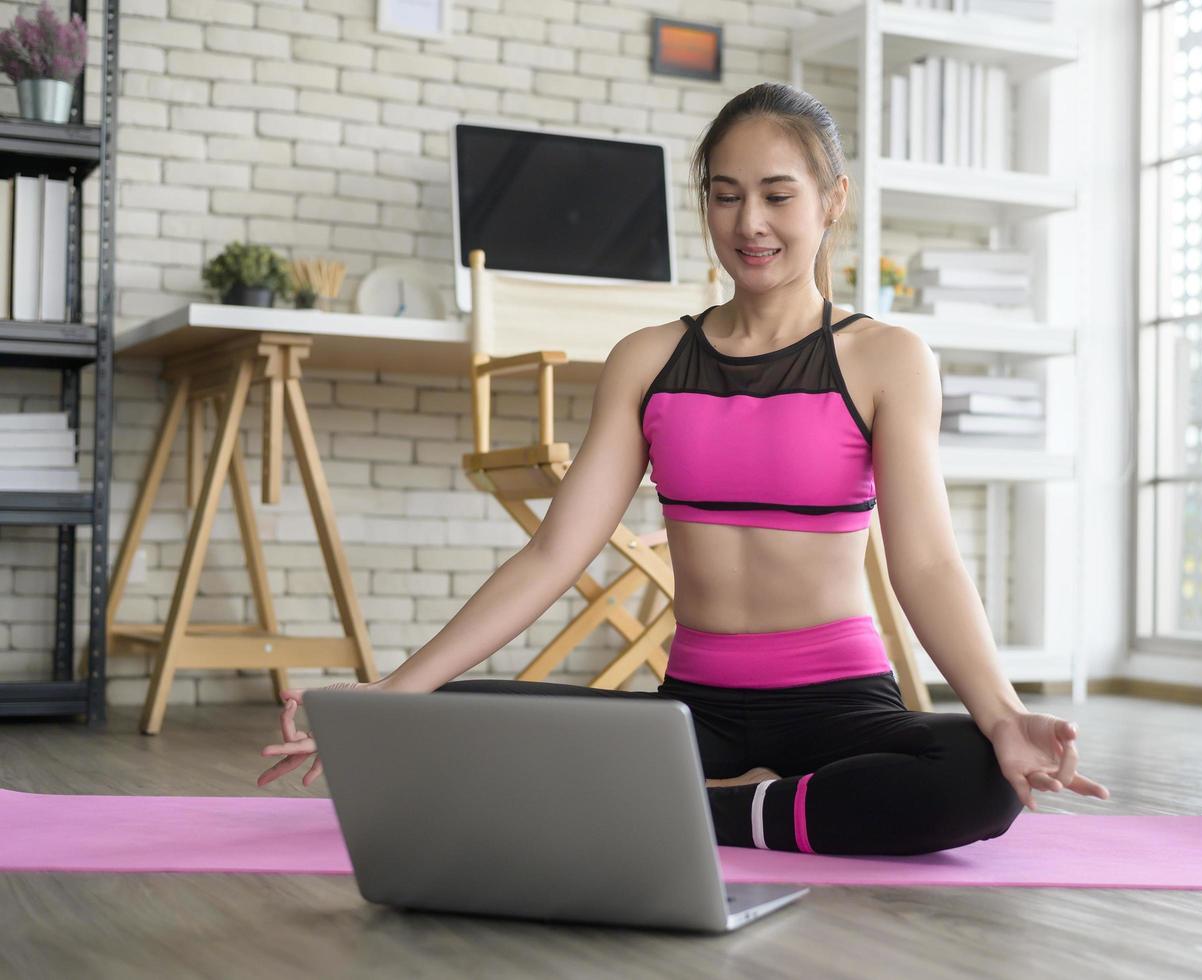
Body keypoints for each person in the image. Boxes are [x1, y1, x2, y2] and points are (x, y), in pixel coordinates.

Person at [259, 82, 1109, 856]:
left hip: (840, 705)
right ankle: (749, 806)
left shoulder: (886, 358)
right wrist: (395, 693)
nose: (751, 224)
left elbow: (924, 562)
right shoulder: (649, 358)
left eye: (778, 196)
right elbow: (557, 553)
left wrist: (1001, 717)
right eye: (725, 195)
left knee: (972, 777)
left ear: (831, 202)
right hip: (691, 709)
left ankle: (690, 813)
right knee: (439, 719)